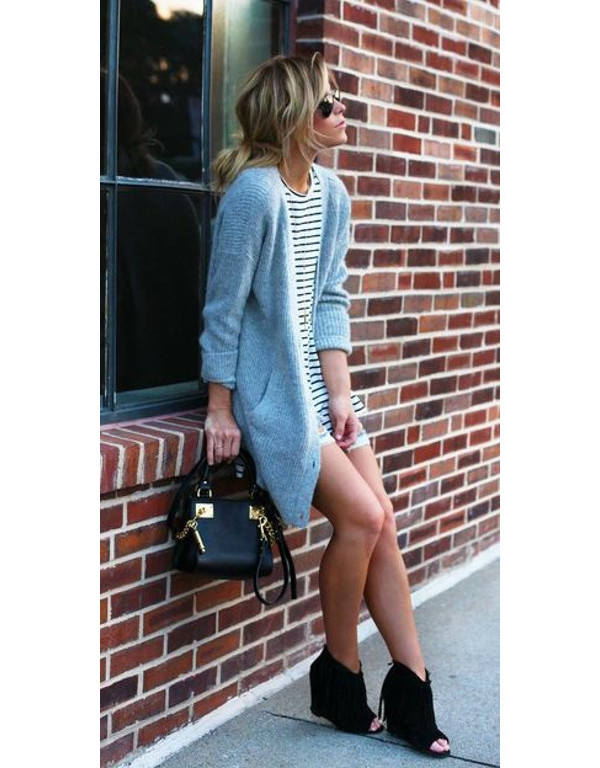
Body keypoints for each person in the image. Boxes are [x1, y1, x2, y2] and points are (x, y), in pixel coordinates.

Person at [199, 53, 451, 758]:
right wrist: (220, 408)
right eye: (328, 103)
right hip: (274, 394)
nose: (343, 112)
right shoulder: (255, 195)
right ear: (293, 118)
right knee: (362, 516)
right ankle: (340, 673)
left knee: (383, 523)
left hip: (322, 388)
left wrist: (341, 397)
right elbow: (223, 310)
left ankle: (412, 685)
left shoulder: (331, 193)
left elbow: (330, 299)